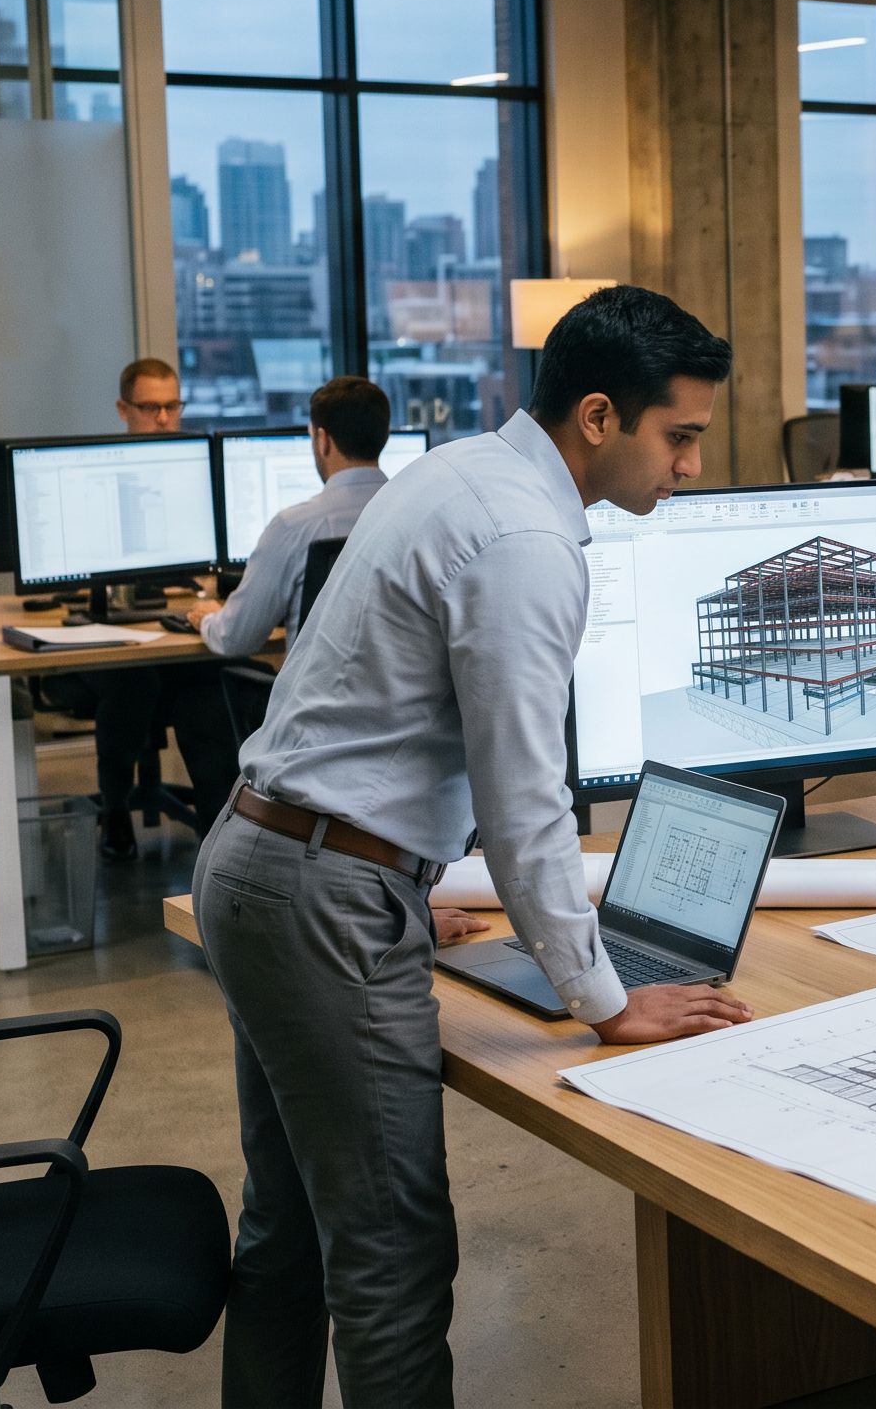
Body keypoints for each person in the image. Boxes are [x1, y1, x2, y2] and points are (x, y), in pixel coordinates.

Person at [194, 286, 752, 1408]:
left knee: (291, 1230)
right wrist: (602, 996)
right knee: (394, 1262)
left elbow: (368, 713)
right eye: (679, 436)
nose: (689, 466)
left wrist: (399, 879)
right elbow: (523, 793)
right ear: (598, 416)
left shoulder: (457, 470)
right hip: (320, 892)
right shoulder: (529, 538)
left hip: (274, 862)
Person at [84, 357, 233, 857]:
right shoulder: (94, 477)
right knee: (132, 680)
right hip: (113, 641)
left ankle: (224, 839)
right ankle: (115, 807)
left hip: (178, 630)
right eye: (152, 407)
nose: (166, 419)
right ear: (123, 409)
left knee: (212, 685)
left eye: (173, 406)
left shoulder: (194, 474)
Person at [184, 375, 392, 658]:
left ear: (322, 440)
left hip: (317, 699)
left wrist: (209, 618)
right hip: (403, 699)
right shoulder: (417, 516)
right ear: (385, 435)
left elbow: (236, 639)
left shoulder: (293, 526)